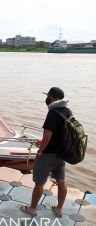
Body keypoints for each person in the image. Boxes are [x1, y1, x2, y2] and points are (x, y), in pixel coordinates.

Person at [21, 87, 71, 217]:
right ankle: (59, 208)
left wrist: (40, 151)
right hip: (61, 153)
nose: (47, 98)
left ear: (55, 98)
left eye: (49, 96)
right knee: (61, 181)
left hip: (49, 154)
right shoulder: (68, 111)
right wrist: (42, 142)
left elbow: (48, 136)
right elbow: (61, 134)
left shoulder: (53, 113)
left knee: (39, 183)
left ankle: (32, 209)